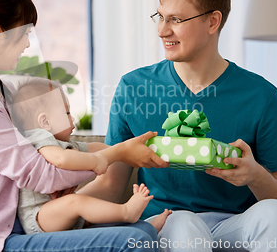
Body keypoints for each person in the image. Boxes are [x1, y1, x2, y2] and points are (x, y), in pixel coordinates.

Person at [0, 0, 169, 252]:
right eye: (24, 34)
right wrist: (117, 154)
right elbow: (42, 174)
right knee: (135, 239)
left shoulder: (3, 93)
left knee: (141, 228)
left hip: (22, 228)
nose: (27, 45)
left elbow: (49, 148)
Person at [78, 0, 277, 251]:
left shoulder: (261, 95)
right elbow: (112, 185)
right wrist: (59, 208)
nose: (162, 30)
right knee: (183, 223)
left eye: (175, 19)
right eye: (160, 17)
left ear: (212, 22)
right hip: (168, 223)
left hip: (235, 225)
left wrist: (255, 176)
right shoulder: (133, 88)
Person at [9, 77, 172, 235]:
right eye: (66, 112)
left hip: (59, 211)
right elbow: (61, 159)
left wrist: (127, 151)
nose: (72, 118)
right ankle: (126, 212)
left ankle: (145, 229)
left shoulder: (65, 143)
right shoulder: (37, 137)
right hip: (39, 218)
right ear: (45, 122)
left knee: (95, 213)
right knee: (77, 202)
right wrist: (97, 161)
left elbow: (98, 148)